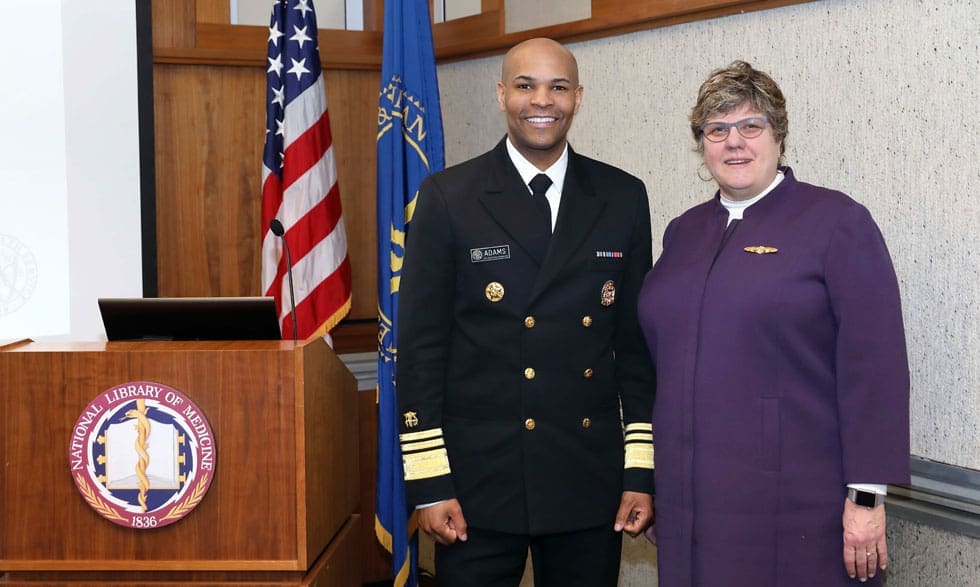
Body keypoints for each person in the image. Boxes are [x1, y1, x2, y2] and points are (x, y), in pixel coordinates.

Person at [637, 60, 910, 586]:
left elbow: (874, 368)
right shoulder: (683, 232)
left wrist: (866, 498)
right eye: (717, 129)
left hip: (797, 505)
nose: (734, 142)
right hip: (689, 498)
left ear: (778, 135)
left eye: (750, 125)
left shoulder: (837, 222)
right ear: (701, 144)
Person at [396, 38, 656, 586]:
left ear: (578, 97)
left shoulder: (623, 196)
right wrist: (430, 482)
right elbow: (420, 352)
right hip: (478, 484)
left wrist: (639, 469)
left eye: (558, 87)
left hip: (587, 479)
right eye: (525, 86)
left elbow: (636, 349)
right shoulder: (449, 196)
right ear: (501, 95)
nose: (542, 100)